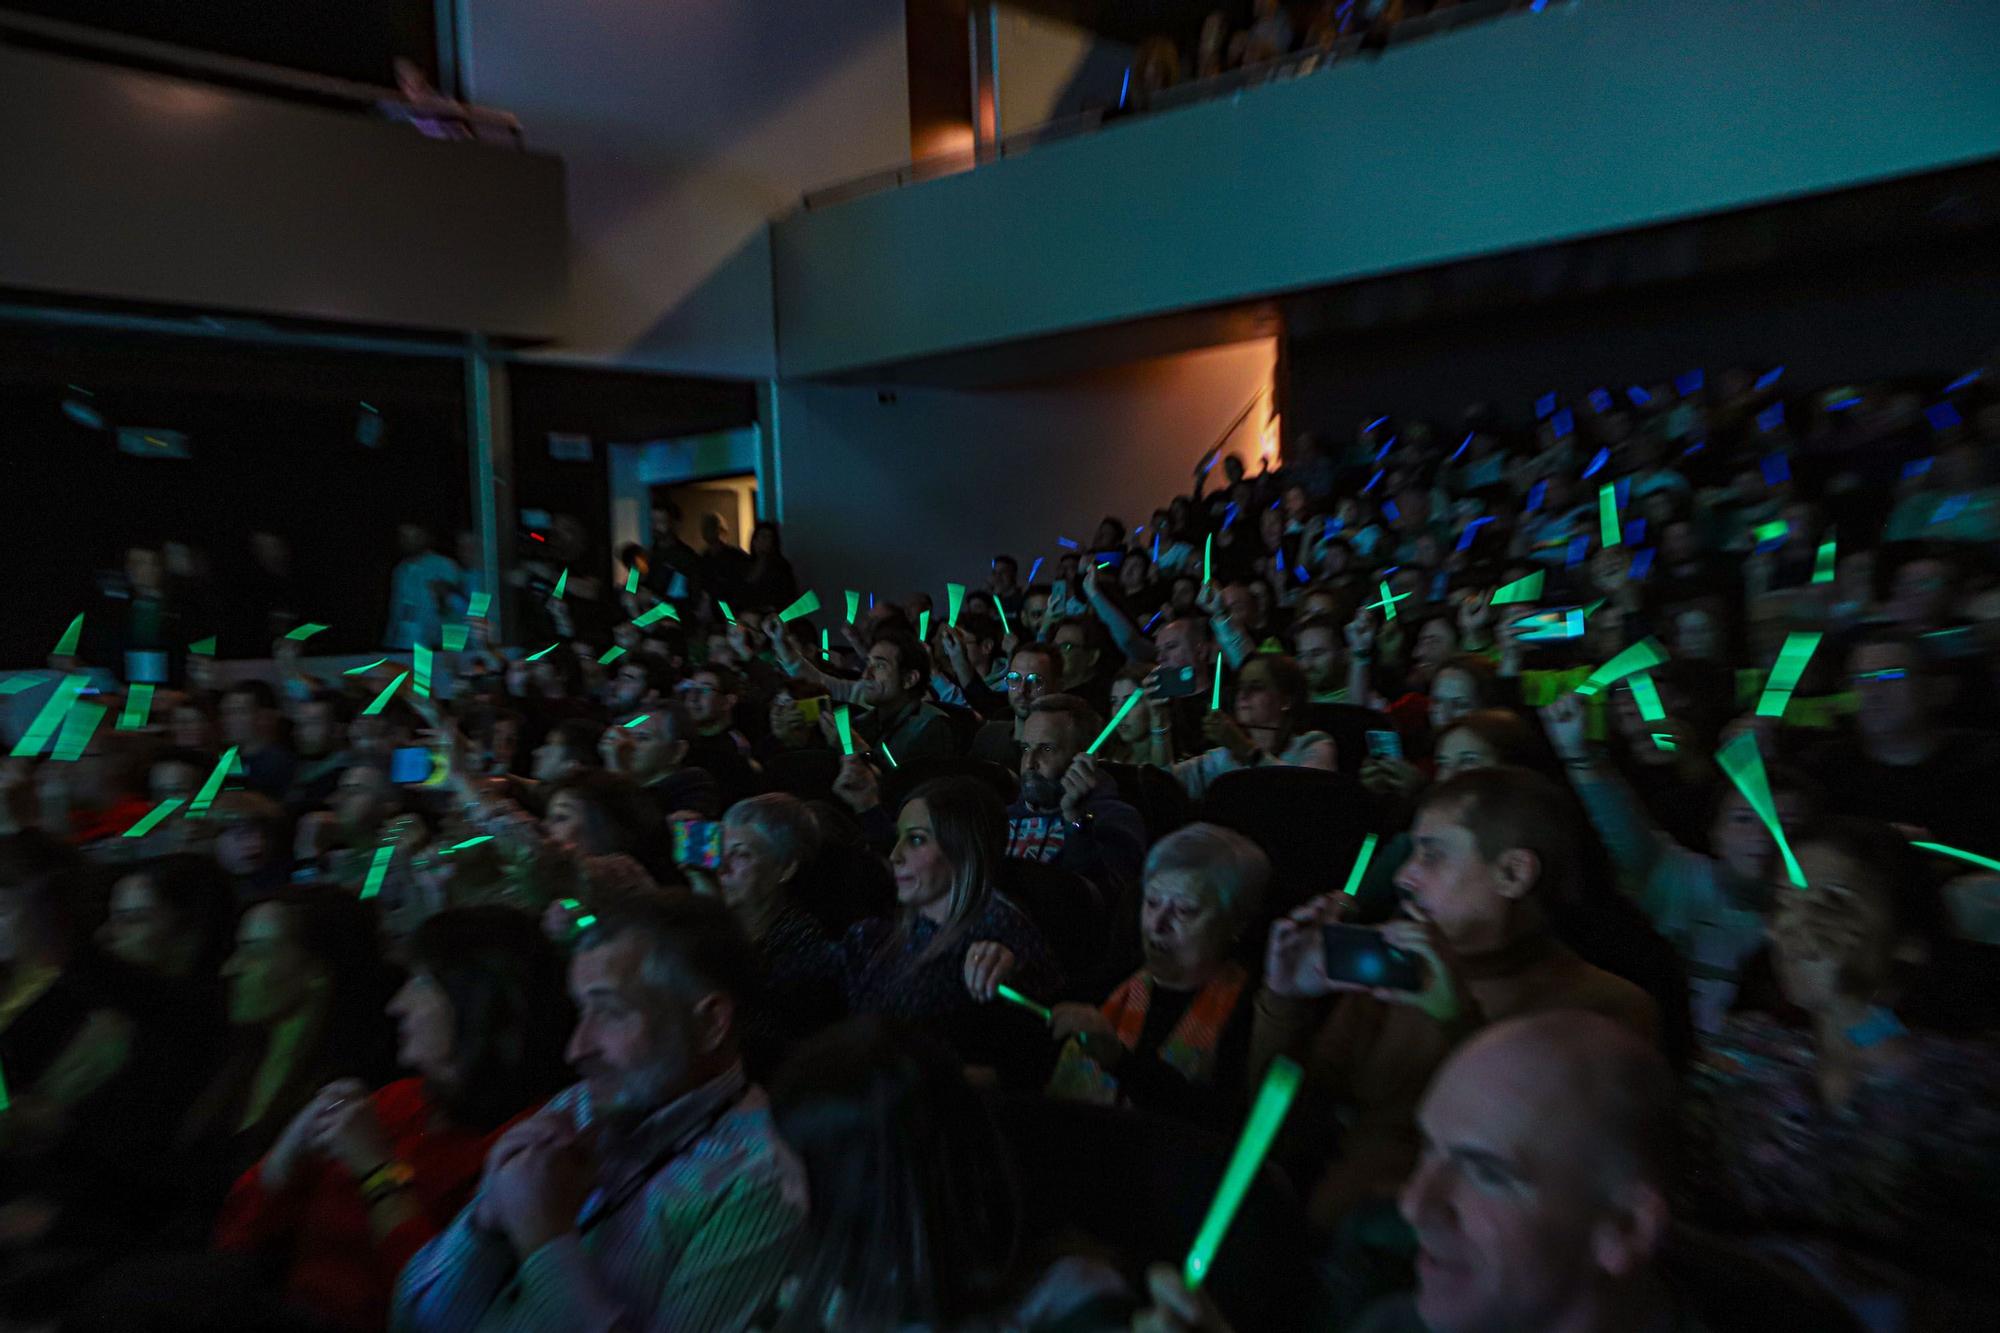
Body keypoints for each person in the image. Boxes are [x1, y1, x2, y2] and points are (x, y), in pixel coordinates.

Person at [1255, 767, 1657, 1226]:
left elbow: (1534, 1173)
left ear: (1512, 873)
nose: (1405, 877)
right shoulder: (1394, 968)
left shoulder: (1605, 1011)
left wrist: (1455, 1018)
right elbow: (1281, 1129)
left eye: (1432, 856)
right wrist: (1284, 1001)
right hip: (1326, 1232)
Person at [392, 894, 809, 1333]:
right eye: (581, 1010)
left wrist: (545, 1242)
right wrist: (484, 1228)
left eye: (610, 1012)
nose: (577, 1049)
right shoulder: (578, 1105)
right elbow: (411, 1320)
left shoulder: (762, 1175)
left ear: (710, 1024)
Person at [1680, 817, 2000, 1324]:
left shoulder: (1970, 1075)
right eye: (1785, 902)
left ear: (1907, 941)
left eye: (1832, 904)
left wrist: (1852, 1010)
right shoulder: (1745, 1050)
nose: (1798, 926)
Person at [215, 908, 575, 1331]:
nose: (397, 1005)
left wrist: (379, 1172)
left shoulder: (529, 1142)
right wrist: (287, 1153)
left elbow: (431, 1307)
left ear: (476, 998)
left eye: (420, 983)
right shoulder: (399, 1101)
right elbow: (236, 1240)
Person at [765, 1016, 1130, 1332]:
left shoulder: (1069, 1301)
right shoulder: (842, 1286)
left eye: (792, 1177)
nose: (786, 1195)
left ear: (866, 1191)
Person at [1542, 694, 1816, 1033]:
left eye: (1783, 823)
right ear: (1715, 832)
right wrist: (1578, 754)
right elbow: (1618, 820)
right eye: (1744, 819)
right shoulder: (1676, 875)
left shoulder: (1820, 913)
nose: (1763, 835)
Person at [168, 887, 401, 1233]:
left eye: (254, 952)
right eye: (237, 950)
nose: (231, 968)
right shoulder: (231, 1057)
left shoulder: (347, 1089)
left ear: (316, 970)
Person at [838, 777, 1061, 1087]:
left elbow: (1033, 1054)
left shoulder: (999, 929)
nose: (895, 855)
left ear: (962, 848)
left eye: (915, 840)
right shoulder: (879, 933)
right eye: (899, 838)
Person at [1045, 823, 1264, 1128]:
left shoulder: (1252, 1012)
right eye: (1151, 902)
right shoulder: (1115, 978)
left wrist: (1120, 1061)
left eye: (1184, 911)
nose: (1157, 924)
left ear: (1235, 924)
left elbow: (1221, 1121)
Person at [1807, 630, 2000, 856]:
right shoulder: (1824, 767)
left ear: (1936, 689)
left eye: (1892, 676)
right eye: (1860, 679)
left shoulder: (1987, 759)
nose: (1872, 692)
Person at [708, 794, 845, 1076]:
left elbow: (755, 1037)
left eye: (742, 854)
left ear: (785, 868)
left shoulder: (804, 946)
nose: (721, 867)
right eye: (720, 851)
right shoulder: (713, 925)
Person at [1004, 695, 1147, 906]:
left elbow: (1109, 899)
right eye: (1026, 748)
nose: (1030, 763)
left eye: (1047, 749)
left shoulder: (1117, 818)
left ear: (1084, 758)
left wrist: (1075, 820)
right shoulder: (1001, 816)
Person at [1169, 654, 1337, 799]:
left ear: (1286, 700)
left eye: (1256, 687)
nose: (1243, 694)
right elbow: (1167, 783)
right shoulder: (1224, 756)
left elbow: (1311, 796)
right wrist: (1157, 722)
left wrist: (1247, 750)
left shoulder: (1314, 744)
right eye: (1241, 687)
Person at [676, 665, 761, 805]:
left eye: (705, 689)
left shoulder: (735, 750)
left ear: (728, 701)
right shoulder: (679, 736)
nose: (693, 697)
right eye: (690, 689)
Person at [971, 641, 1061, 767]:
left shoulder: (1059, 753)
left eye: (1035, 681)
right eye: (1015, 678)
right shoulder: (987, 737)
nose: (1022, 690)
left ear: (1057, 686)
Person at [385, 524, 461, 650]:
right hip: (402, 641)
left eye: (414, 536)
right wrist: (389, 639)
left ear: (424, 537)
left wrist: (452, 644)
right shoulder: (400, 570)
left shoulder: (443, 565)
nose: (409, 541)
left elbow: (454, 608)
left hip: (434, 642)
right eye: (404, 537)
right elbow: (396, 608)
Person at [742, 521, 801, 611]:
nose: (765, 540)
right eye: (762, 536)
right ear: (754, 540)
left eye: (769, 537)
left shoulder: (781, 566)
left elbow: (788, 594)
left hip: (773, 615)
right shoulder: (744, 564)